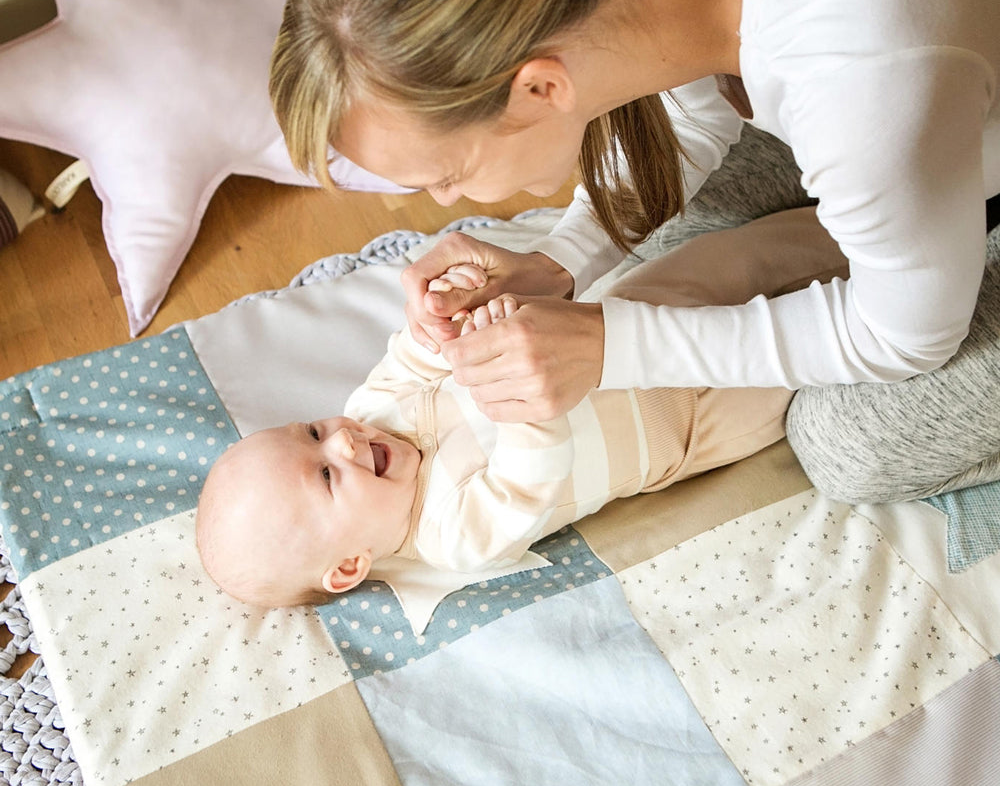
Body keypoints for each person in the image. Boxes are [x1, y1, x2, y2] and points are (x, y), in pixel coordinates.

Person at [269, 0, 1000, 504]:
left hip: (911, 99)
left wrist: (611, 345)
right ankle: (892, 230)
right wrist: (561, 260)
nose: (447, 204)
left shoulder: (859, 77)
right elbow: (687, 106)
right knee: (672, 235)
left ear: (540, 90)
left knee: (850, 444)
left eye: (447, 175)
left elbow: (906, 338)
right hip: (917, 96)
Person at [197, 208, 847, 608]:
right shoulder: (452, 538)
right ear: (348, 566)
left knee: (739, 257)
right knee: (803, 362)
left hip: (625, 315)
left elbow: (414, 359)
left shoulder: (371, 413)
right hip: (685, 422)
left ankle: (847, 228)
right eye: (326, 476)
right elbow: (527, 480)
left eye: (311, 431)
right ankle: (878, 315)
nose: (339, 440)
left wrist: (439, 322)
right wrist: (524, 400)